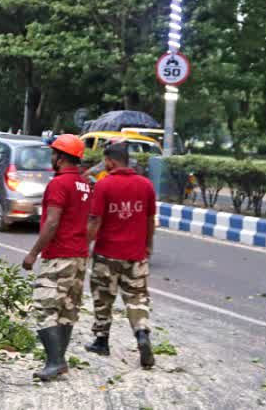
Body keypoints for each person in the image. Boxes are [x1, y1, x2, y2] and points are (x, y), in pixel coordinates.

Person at [21, 133, 91, 382]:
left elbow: (51, 223)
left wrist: (32, 254)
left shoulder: (59, 184)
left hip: (60, 255)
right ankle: (59, 360)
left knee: (42, 306)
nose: (51, 158)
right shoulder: (84, 183)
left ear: (60, 157)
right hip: (80, 255)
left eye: (53, 154)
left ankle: (55, 361)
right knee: (67, 309)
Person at [85, 142, 157, 369]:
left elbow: (95, 220)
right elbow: (149, 221)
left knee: (103, 297)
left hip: (107, 254)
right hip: (136, 255)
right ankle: (142, 334)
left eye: (105, 161)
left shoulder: (104, 185)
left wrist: (85, 245)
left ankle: (101, 341)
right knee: (137, 298)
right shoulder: (146, 186)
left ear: (110, 161)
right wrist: (148, 246)